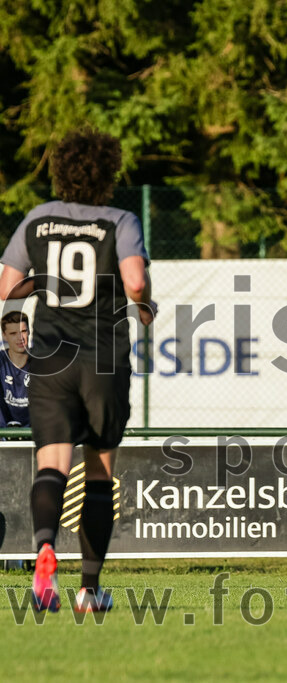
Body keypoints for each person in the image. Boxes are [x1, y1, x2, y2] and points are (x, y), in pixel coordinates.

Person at [0, 128, 156, 613]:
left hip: (50, 357)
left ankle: (44, 546)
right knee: (99, 472)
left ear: (61, 170)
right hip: (103, 359)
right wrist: (145, 304)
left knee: (52, 463)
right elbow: (134, 283)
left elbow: (7, 286)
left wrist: (41, 287)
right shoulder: (121, 219)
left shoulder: (39, 219)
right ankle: (89, 590)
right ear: (109, 173)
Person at [0, 311, 32, 428]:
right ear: (4, 335)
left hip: (37, 434)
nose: (20, 338)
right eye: (13, 333)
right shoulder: (1, 360)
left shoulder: (41, 363)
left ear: (29, 331)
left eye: (23, 331)